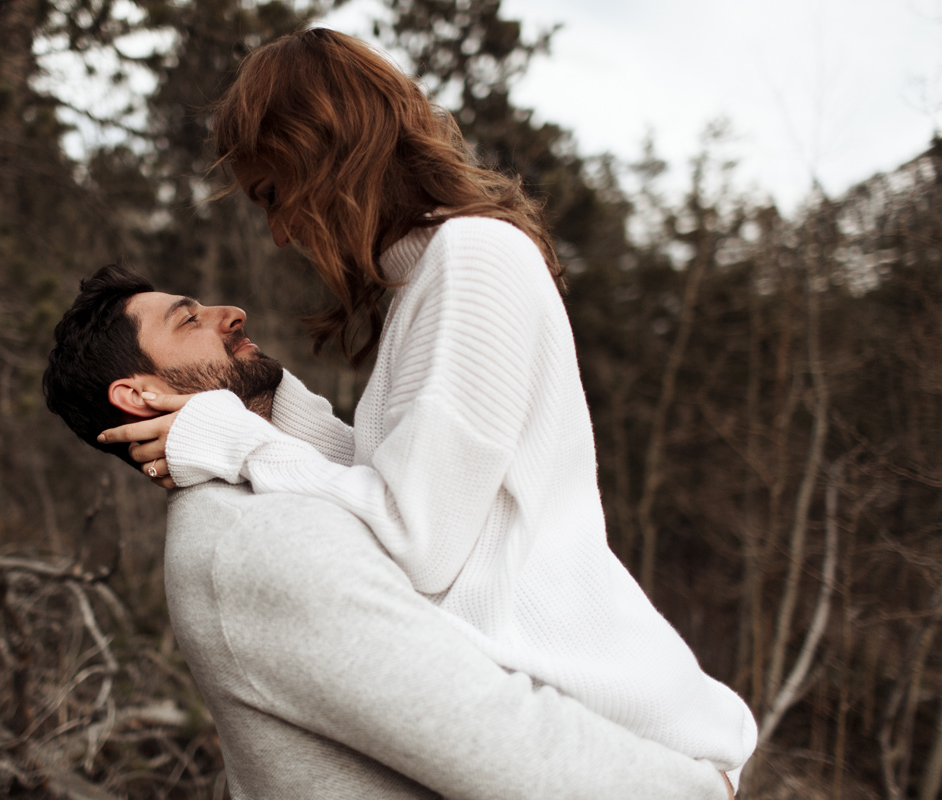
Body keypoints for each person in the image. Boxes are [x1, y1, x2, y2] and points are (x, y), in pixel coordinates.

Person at [97, 26, 757, 790]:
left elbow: (416, 542)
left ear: (325, 153)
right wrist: (281, 412)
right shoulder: (428, 280)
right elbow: (413, 498)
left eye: (274, 193)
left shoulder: (473, 259)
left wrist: (238, 440)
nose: (277, 233)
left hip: (624, 746)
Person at [43, 264, 734, 799]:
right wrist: (700, 786)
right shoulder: (257, 540)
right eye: (188, 320)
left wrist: (261, 421)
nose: (229, 314)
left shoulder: (262, 505)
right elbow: (505, 743)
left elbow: (384, 497)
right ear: (137, 395)